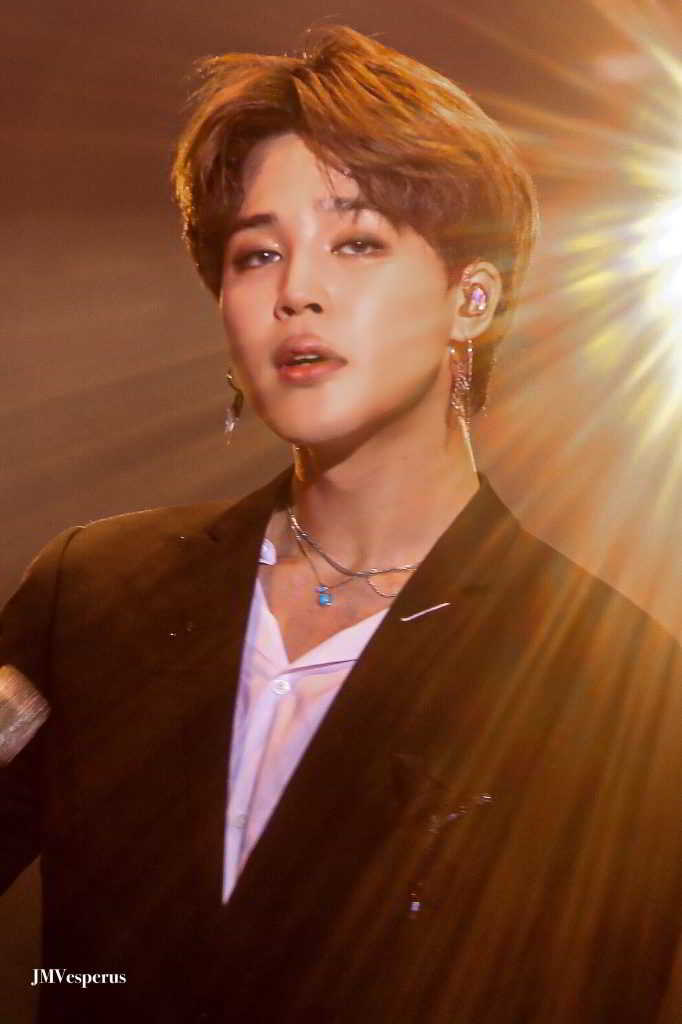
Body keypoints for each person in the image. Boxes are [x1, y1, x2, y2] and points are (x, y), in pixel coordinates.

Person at [1, 24, 680, 1024]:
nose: (296, 292)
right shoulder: (95, 592)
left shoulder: (619, 686)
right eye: (256, 253)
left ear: (471, 297)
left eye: (356, 242)